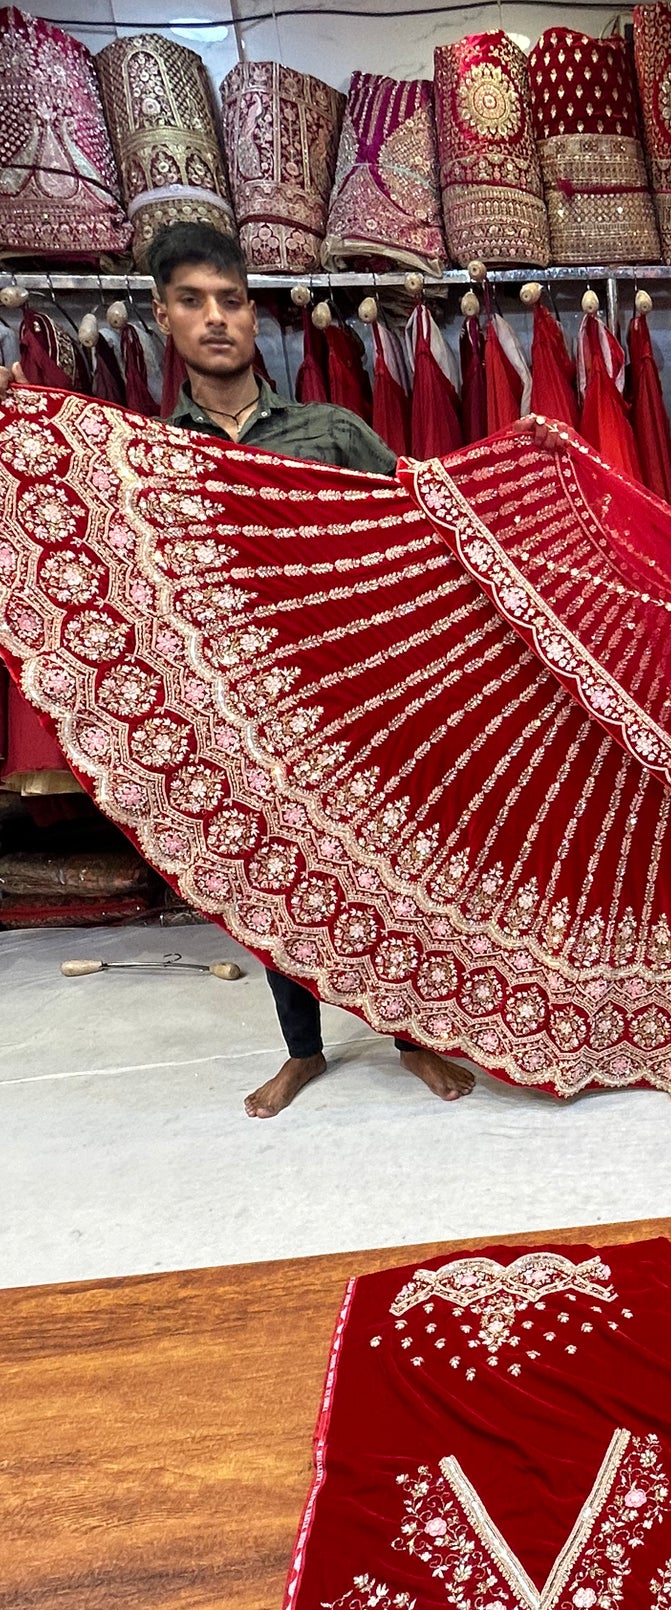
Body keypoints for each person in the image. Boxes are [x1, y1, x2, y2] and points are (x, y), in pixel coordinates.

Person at [0, 222, 476, 1118]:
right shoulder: (149, 456)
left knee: (385, 870)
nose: (215, 318)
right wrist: (27, 431)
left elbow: (421, 528)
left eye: (230, 299)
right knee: (271, 876)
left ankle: (412, 1035)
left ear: (254, 315)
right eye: (192, 301)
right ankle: (303, 1051)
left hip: (347, 694)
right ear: (163, 317)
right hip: (236, 705)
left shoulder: (329, 431)